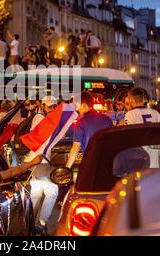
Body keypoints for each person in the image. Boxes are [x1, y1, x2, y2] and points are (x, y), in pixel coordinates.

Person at [24, 96, 59, 236]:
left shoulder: (43, 117)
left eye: (54, 106)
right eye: (50, 106)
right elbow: (37, 138)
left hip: (38, 161)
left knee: (37, 193)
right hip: (39, 161)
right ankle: (41, 223)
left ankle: (29, 223)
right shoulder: (40, 118)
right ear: (43, 106)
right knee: (53, 191)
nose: (52, 109)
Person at [66, 92, 113, 169]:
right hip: (107, 164)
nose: (76, 110)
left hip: (90, 165)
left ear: (83, 105)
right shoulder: (108, 120)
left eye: (77, 107)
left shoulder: (81, 122)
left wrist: (66, 169)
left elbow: (75, 149)